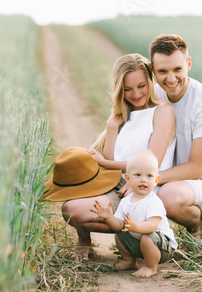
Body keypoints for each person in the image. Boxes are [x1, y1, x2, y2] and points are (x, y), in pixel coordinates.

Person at [60, 53, 176, 261]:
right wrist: (112, 128)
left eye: (141, 85)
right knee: (70, 209)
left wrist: (110, 165)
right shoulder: (121, 115)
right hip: (116, 184)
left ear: (150, 81)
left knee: (79, 210)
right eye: (127, 89)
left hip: (142, 185)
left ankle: (135, 240)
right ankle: (86, 241)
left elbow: (153, 161)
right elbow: (109, 166)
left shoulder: (162, 110)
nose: (136, 94)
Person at [149, 34, 202, 238]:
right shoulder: (153, 96)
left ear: (189, 64)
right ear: (152, 70)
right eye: (162, 71)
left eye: (177, 69)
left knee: (169, 197)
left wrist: (149, 179)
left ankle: (195, 229)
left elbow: (196, 168)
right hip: (162, 180)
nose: (171, 78)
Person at [91, 150, 177, 278]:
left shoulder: (153, 201)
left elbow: (152, 226)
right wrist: (108, 217)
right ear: (128, 178)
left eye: (149, 176)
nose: (143, 180)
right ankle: (129, 260)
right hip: (140, 244)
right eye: (137, 175)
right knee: (119, 233)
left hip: (162, 248)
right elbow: (118, 225)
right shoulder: (126, 201)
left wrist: (134, 226)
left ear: (156, 180)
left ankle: (151, 266)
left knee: (147, 237)